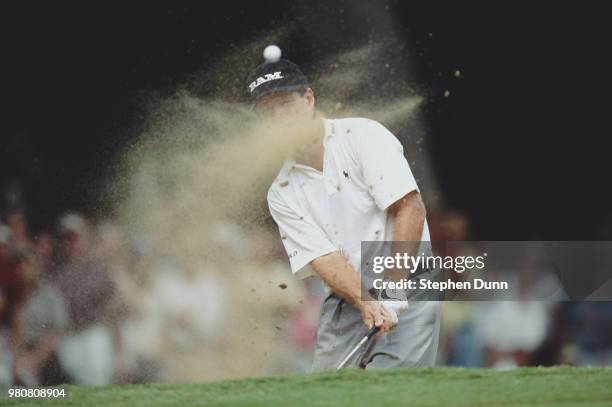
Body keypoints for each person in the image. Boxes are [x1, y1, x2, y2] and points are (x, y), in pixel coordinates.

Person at [247, 47, 441, 370]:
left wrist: (392, 290)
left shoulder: (362, 136)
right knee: (328, 392)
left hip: (408, 280)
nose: (279, 117)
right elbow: (323, 257)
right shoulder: (281, 191)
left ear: (308, 100)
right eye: (268, 112)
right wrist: (367, 301)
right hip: (349, 295)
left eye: (285, 104)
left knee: (392, 392)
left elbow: (410, 208)